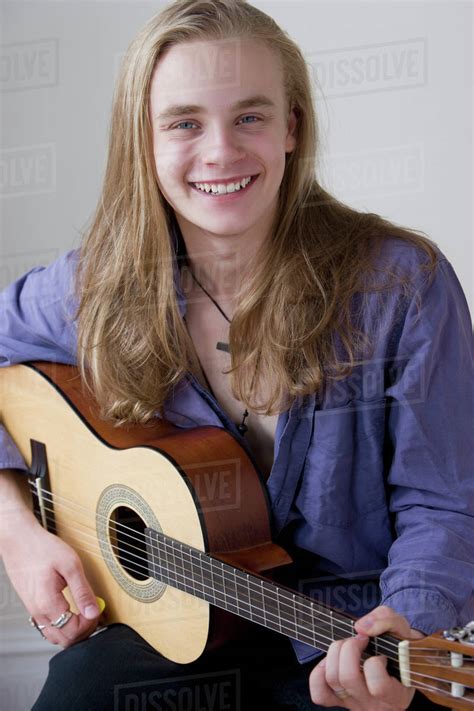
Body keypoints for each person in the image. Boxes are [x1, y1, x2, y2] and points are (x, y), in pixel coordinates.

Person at [0, 1, 472, 709]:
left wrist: (405, 623)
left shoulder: (402, 284)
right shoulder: (96, 284)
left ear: (291, 128)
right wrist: (18, 534)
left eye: (249, 116)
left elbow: (443, 502)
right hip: (178, 628)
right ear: (145, 141)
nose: (220, 151)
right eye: (185, 122)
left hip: (350, 638)